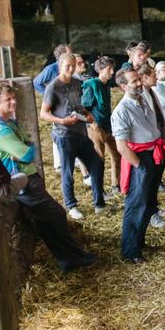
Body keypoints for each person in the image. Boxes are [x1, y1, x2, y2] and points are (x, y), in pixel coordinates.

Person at [0, 83, 95, 273]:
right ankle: (69, 258)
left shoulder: (8, 122)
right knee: (57, 215)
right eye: (8, 99)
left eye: (14, 97)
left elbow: (28, 146)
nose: (14, 102)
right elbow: (28, 153)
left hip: (26, 176)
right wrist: (26, 149)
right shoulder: (0, 130)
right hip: (23, 182)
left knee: (48, 219)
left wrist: (26, 148)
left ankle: (72, 256)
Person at [111, 69, 165, 264]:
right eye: (134, 81)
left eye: (138, 80)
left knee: (149, 203)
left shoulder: (142, 100)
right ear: (123, 86)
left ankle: (139, 241)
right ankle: (130, 251)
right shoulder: (121, 111)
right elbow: (121, 146)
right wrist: (139, 166)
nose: (138, 83)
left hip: (154, 154)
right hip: (140, 158)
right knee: (136, 205)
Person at [40, 52, 106, 220]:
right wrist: (61, 121)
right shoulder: (53, 87)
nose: (70, 69)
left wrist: (87, 114)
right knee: (68, 171)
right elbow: (44, 114)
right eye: (67, 66)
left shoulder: (77, 83)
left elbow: (79, 106)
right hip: (64, 134)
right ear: (60, 66)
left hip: (81, 131)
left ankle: (99, 203)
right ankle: (71, 206)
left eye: (73, 65)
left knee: (97, 163)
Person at [82, 56, 122, 195]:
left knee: (117, 154)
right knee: (99, 159)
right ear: (100, 69)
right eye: (109, 69)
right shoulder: (92, 84)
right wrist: (93, 124)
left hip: (108, 125)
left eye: (113, 68)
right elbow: (84, 106)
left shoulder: (106, 85)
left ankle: (116, 185)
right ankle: (99, 190)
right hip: (97, 126)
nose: (112, 72)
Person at [137, 64, 165, 227]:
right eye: (153, 75)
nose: (156, 77)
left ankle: (153, 209)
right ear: (144, 78)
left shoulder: (151, 92)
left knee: (155, 180)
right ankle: (150, 214)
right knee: (149, 183)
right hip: (150, 146)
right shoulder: (141, 96)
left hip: (159, 142)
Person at [33, 44, 72, 175]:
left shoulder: (70, 69)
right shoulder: (51, 68)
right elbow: (36, 82)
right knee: (58, 130)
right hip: (56, 102)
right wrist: (47, 95)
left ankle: (72, 157)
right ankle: (58, 164)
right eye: (69, 53)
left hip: (66, 100)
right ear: (61, 57)